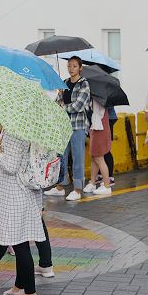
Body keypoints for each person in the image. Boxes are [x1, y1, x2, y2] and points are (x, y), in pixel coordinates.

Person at [0, 133, 46, 295]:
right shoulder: (12, 130)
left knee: (20, 245)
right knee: (18, 242)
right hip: (17, 193)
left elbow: (10, 166)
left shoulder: (17, 133)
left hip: (17, 194)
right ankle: (20, 286)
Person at [46, 57, 91, 201]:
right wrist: (59, 94)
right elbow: (58, 103)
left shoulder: (84, 84)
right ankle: (60, 186)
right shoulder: (64, 83)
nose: (71, 69)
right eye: (69, 66)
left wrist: (63, 107)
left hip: (78, 126)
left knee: (78, 158)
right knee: (61, 157)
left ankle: (77, 189)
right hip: (64, 126)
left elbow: (79, 106)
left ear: (80, 68)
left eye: (74, 66)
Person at [83, 97, 112, 195]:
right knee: (94, 157)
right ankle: (92, 182)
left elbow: (97, 113)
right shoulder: (99, 96)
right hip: (96, 127)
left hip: (99, 128)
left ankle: (107, 186)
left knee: (99, 158)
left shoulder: (99, 98)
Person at [101, 106, 118, 184]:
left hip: (107, 119)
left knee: (105, 149)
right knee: (101, 149)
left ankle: (110, 177)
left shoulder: (103, 94)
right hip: (107, 118)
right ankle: (101, 175)